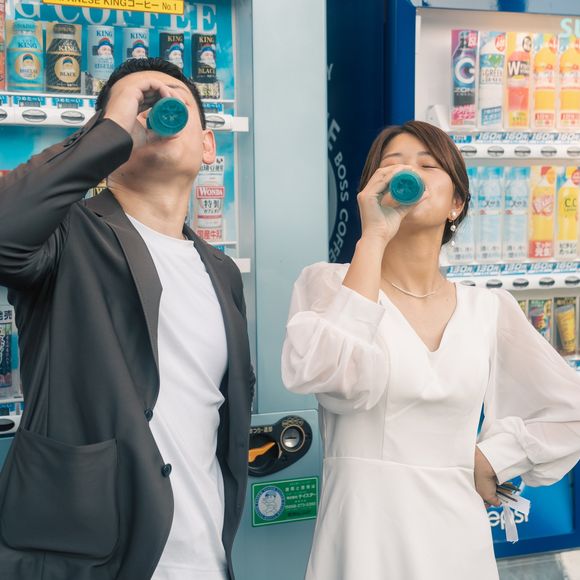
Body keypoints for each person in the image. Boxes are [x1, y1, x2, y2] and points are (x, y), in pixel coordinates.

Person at [281, 120, 580, 580]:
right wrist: (373, 237)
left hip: (457, 540)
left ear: (456, 202)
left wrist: (494, 457)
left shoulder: (488, 309)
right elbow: (336, 383)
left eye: (427, 165)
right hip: (364, 538)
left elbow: (569, 411)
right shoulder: (329, 286)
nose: (409, 173)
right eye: (392, 165)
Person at [0, 57, 254, 580]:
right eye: (139, 105)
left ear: (208, 145)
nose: (154, 112)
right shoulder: (67, 235)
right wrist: (110, 128)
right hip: (89, 563)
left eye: (172, 102)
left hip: (204, 560)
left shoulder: (222, 271)